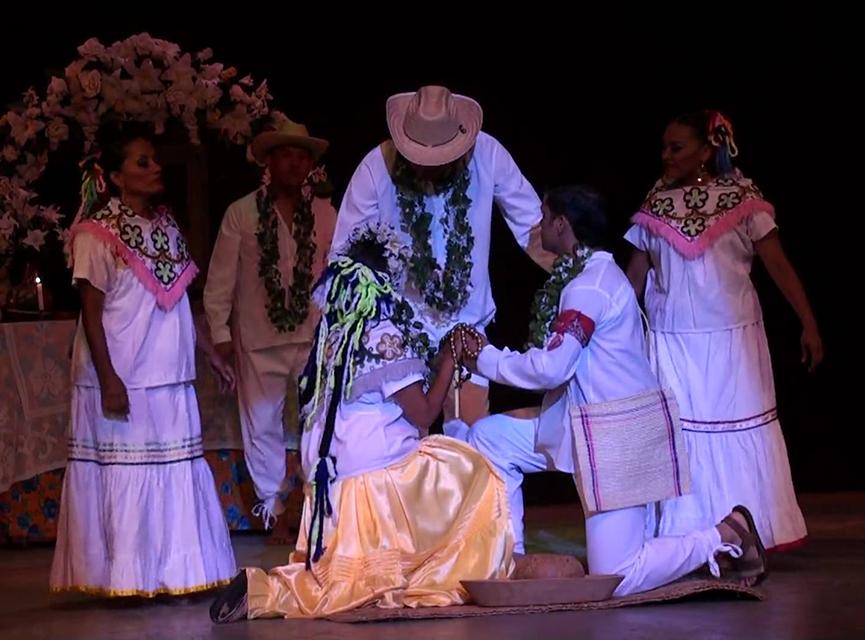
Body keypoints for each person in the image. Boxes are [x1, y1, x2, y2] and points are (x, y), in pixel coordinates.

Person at [624, 110, 821, 550]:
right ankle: (689, 536)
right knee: (684, 435)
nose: (666, 156)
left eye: (677, 148)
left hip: (733, 339)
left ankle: (754, 529)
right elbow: (633, 280)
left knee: (737, 430)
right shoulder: (657, 200)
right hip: (673, 341)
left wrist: (808, 322)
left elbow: (778, 266)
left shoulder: (740, 195)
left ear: (706, 150)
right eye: (663, 147)